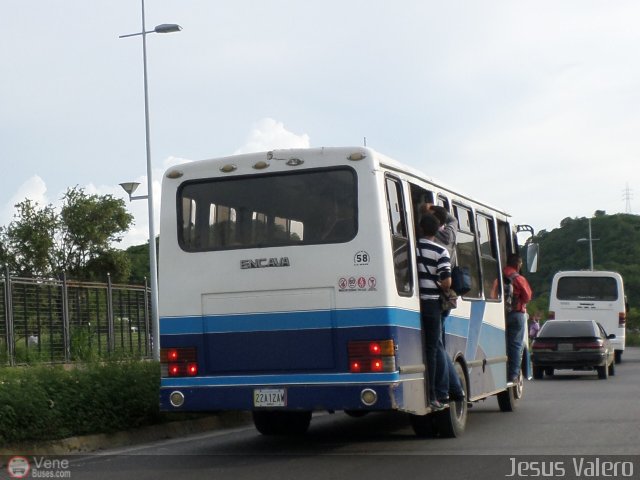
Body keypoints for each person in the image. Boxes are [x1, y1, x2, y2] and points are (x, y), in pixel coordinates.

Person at [425, 204, 466, 402]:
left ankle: (452, 390)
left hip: (436, 301)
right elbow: (453, 221)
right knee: (438, 345)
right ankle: (454, 390)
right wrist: (434, 208)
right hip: (446, 299)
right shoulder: (449, 235)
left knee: (437, 347)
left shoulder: (429, 243)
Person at [415, 212, 451, 411]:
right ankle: (435, 394)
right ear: (437, 230)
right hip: (431, 305)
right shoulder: (440, 251)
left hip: (411, 305)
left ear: (420, 229)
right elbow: (446, 281)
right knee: (433, 349)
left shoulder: (410, 249)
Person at [503, 253, 533, 383]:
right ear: (518, 264)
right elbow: (527, 297)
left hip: (502, 314)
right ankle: (513, 375)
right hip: (516, 314)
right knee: (515, 345)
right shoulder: (519, 278)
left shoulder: (499, 273)